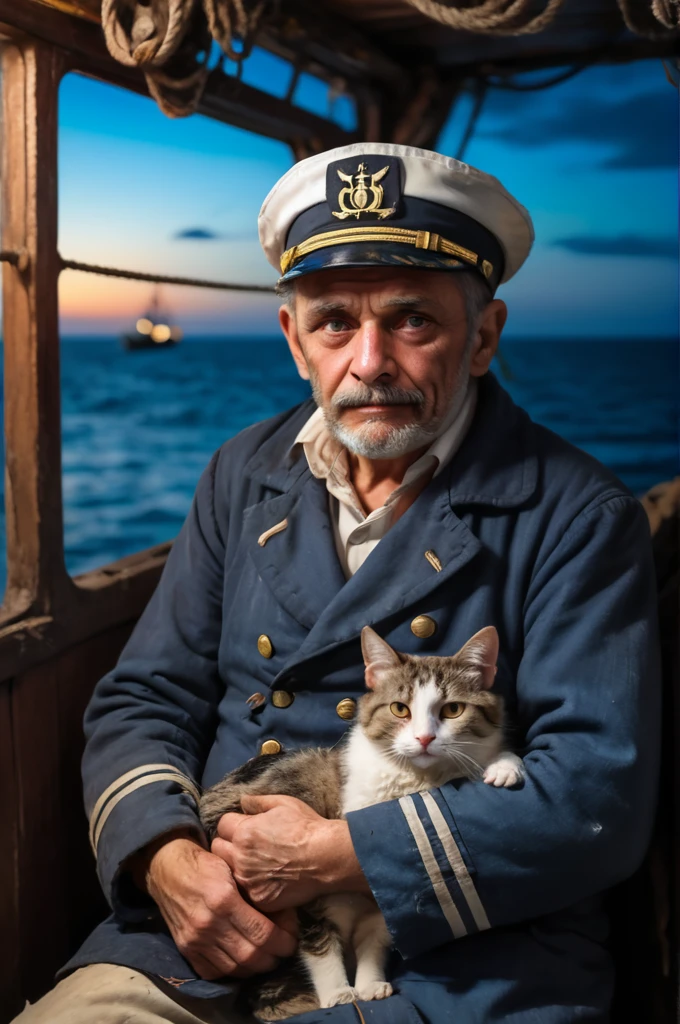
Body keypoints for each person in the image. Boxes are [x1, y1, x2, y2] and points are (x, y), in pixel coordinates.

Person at [15, 143, 660, 1024]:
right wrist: (169, 865)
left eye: (412, 322)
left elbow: (594, 797)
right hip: (208, 937)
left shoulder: (579, 513)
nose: (368, 362)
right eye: (333, 324)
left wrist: (336, 855)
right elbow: (144, 697)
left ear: (484, 337)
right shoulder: (241, 472)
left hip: (452, 955)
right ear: (294, 339)